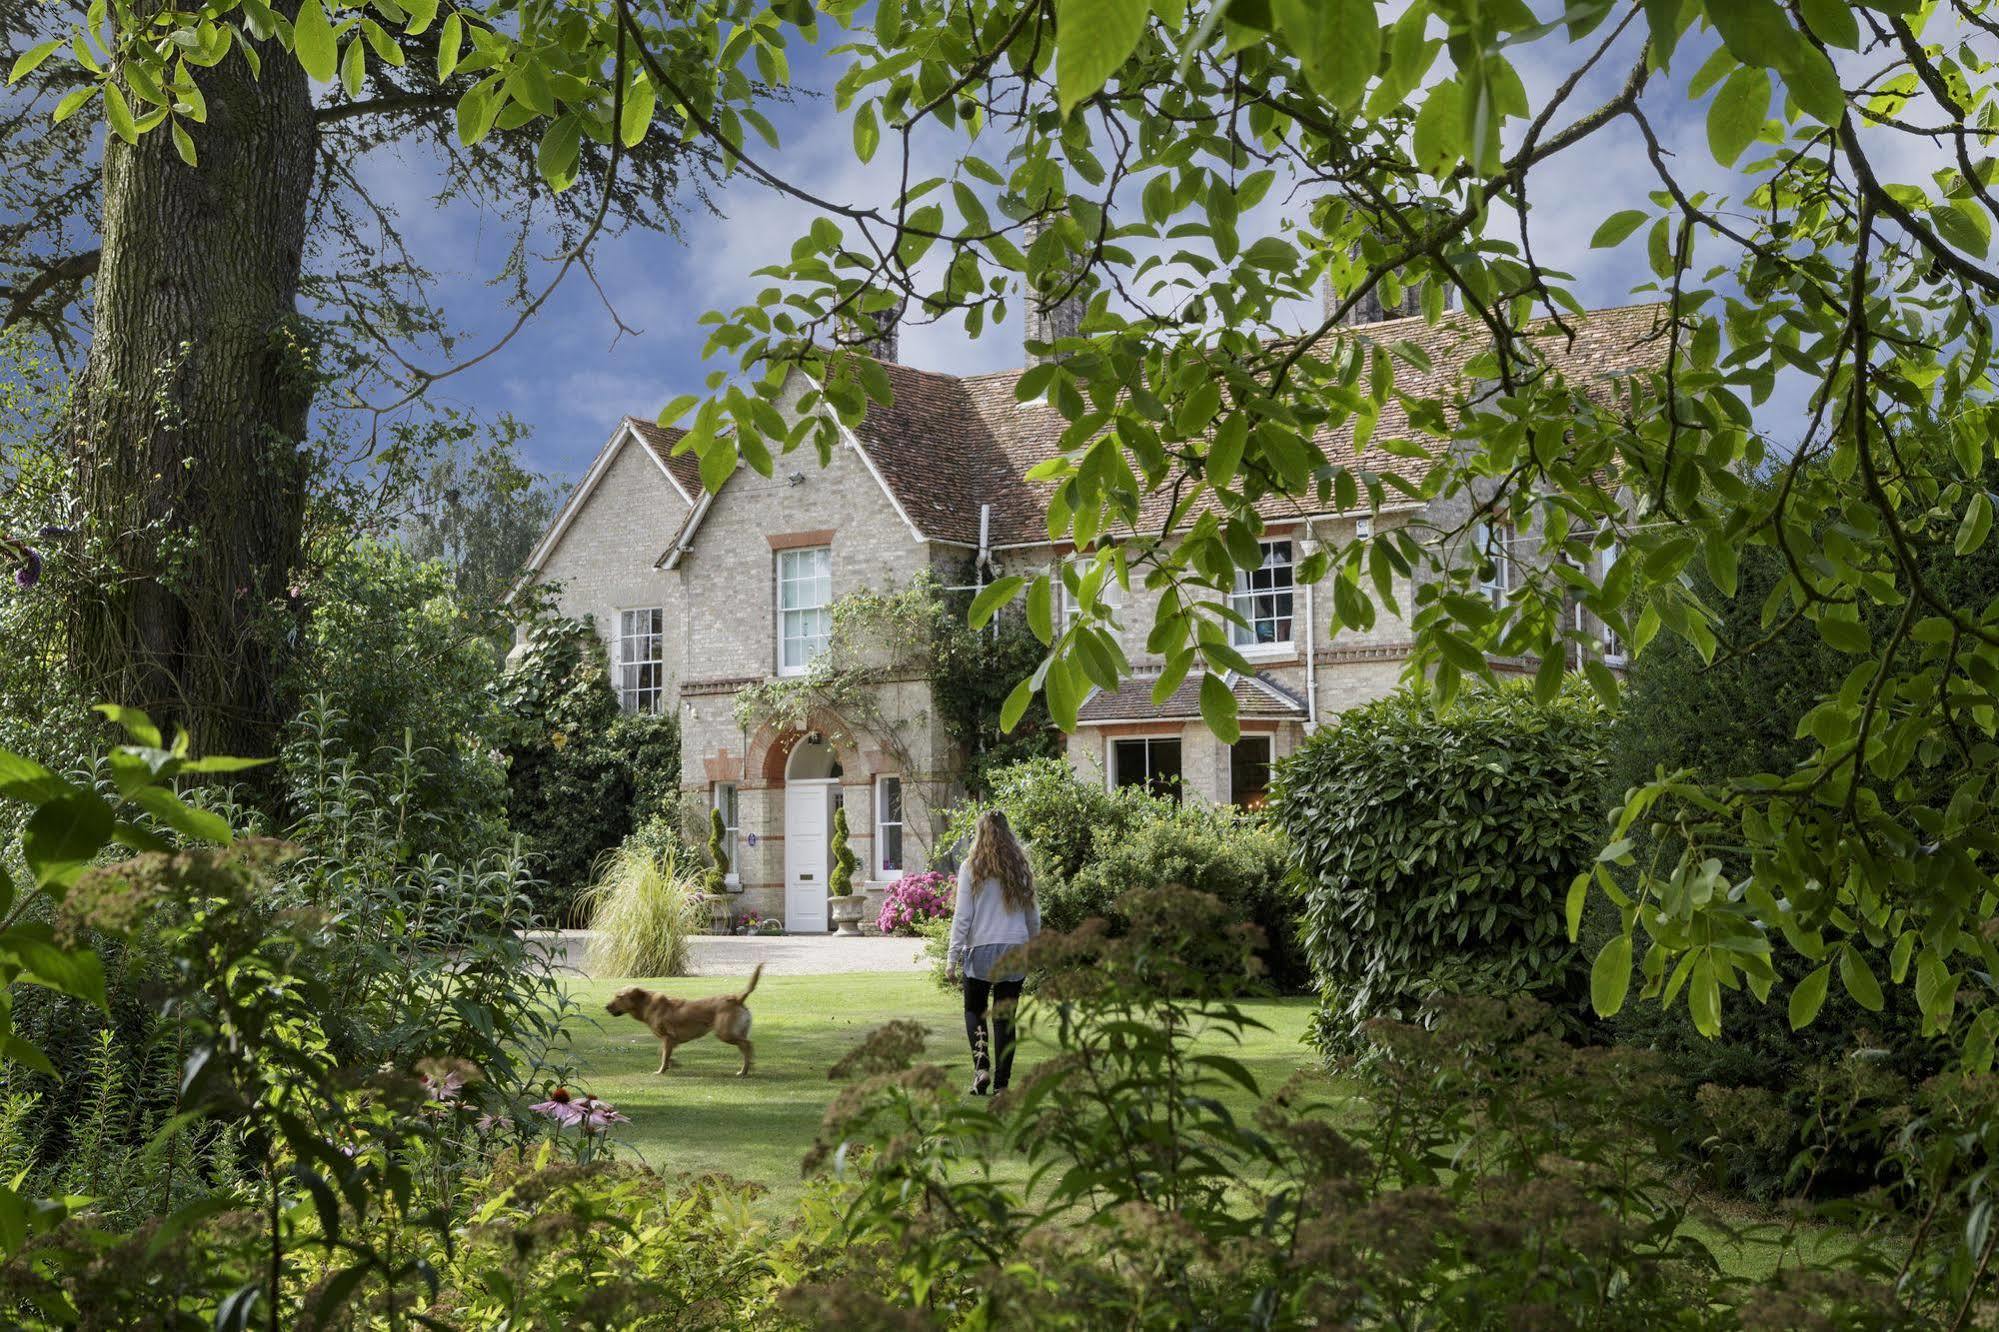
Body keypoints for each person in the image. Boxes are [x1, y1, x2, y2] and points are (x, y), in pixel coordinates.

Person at [946, 809, 1040, 1096]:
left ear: (981, 834)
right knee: (1005, 1018)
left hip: (981, 949)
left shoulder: (971, 867)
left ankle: (981, 1069)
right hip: (1015, 947)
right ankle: (1002, 1085)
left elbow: (963, 916)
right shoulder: (1020, 867)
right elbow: (1033, 914)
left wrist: (952, 957)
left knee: (974, 1010)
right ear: (1008, 834)